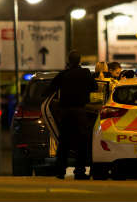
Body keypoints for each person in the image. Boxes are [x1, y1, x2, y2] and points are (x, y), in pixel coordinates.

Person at [50, 50, 97, 180]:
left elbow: (49, 89)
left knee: (64, 142)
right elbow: (95, 87)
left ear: (68, 61)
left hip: (65, 112)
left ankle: (60, 171)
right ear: (80, 60)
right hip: (80, 112)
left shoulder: (63, 74)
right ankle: (80, 171)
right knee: (82, 142)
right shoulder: (86, 73)